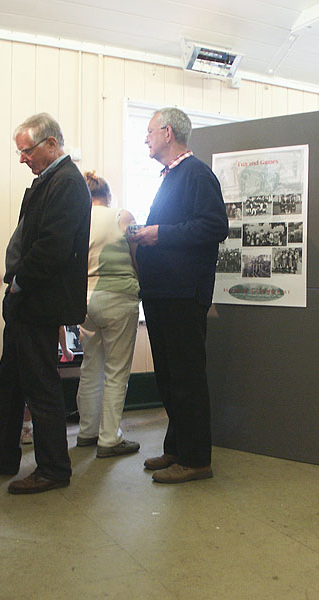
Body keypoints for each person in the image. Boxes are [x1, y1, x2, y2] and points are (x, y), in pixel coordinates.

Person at [0, 113, 91, 495]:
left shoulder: (66, 182)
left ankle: (53, 468)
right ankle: (4, 455)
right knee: (12, 383)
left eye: (26, 150)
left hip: (38, 300)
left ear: (51, 143)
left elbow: (52, 246)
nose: (21, 158)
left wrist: (19, 282)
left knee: (40, 385)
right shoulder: (50, 180)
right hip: (29, 300)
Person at [129, 107, 228, 483]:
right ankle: (176, 448)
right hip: (164, 293)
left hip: (183, 294)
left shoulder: (196, 173)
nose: (146, 138)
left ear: (168, 133)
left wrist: (159, 233)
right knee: (170, 378)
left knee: (186, 378)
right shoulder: (173, 176)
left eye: (150, 131)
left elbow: (215, 226)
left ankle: (196, 459)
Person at [75, 171, 141, 458]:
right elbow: (138, 256)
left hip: (85, 300)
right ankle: (109, 438)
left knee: (90, 366)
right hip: (118, 297)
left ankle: (87, 432)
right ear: (107, 195)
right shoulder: (121, 216)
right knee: (116, 371)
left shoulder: (77, 219)